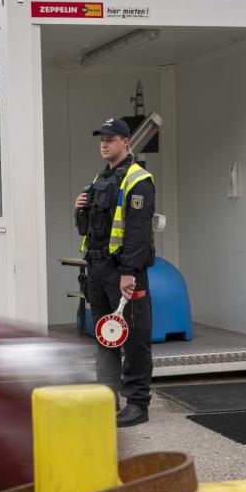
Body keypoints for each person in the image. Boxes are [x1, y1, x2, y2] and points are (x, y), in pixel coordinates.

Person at [75, 117, 155, 427]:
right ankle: (107, 397)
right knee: (105, 337)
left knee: (134, 338)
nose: (104, 144)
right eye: (101, 139)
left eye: (110, 138)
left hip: (123, 272)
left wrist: (128, 272)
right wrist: (79, 208)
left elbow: (137, 233)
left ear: (126, 141)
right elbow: (89, 228)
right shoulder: (99, 180)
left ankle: (137, 403)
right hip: (96, 269)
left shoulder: (138, 180)